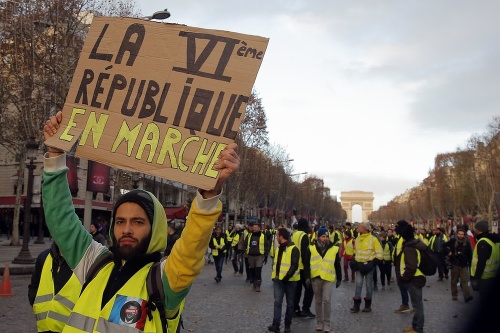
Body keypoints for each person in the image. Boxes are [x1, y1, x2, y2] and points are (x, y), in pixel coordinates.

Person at [42, 111, 240, 333]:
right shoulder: (95, 263)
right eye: (120, 221)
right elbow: (60, 218)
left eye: (137, 222)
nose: (126, 229)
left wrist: (208, 195)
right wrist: (55, 155)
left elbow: (190, 251)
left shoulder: (164, 280)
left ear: (155, 229)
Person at [28, 242, 82, 333]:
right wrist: (36, 305)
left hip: (72, 328)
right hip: (44, 327)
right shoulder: (44, 257)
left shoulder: (85, 260)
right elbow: (34, 285)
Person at [395, 223, 427, 333]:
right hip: (417, 277)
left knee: (417, 305)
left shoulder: (409, 248)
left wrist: (404, 278)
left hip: (413, 278)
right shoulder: (415, 244)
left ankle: (418, 328)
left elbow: (411, 266)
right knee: (416, 304)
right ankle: (415, 326)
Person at [267, 228, 300, 333]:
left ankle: (287, 325)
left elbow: (294, 265)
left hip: (290, 281)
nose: (276, 237)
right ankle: (275, 325)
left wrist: (286, 277)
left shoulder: (293, 249)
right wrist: (274, 277)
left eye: (277, 235)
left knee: (290, 304)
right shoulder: (278, 248)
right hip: (278, 281)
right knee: (277, 302)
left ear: (281, 236)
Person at [310, 226, 341, 332]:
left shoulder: (334, 248)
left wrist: (339, 277)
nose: (325, 238)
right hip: (316, 277)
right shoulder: (311, 247)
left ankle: (327, 323)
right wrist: (306, 277)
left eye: (327, 236)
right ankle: (319, 322)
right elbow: (306, 262)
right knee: (318, 301)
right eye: (323, 236)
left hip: (328, 277)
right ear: (318, 237)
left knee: (326, 300)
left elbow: (337, 264)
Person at [350, 222, 383, 313]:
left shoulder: (373, 239)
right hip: (359, 265)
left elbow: (379, 253)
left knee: (369, 285)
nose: (357, 228)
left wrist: (372, 264)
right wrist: (354, 260)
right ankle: (356, 305)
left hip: (369, 265)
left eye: (360, 226)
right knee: (358, 284)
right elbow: (356, 251)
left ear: (365, 228)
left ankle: (368, 305)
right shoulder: (357, 238)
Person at [470, 220, 500, 301]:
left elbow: (481, 262)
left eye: (476, 229)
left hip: (484, 278)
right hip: (494, 276)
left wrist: (476, 278)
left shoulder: (483, 242)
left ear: (479, 230)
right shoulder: (495, 241)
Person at [292, 218, 315, 318]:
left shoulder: (294, 234)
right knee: (310, 289)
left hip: (294, 266)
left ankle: (295, 309)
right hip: (302, 267)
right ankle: (306, 309)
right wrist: (307, 271)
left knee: (297, 290)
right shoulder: (304, 236)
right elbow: (305, 254)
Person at [444, 227, 473, 302]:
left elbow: (469, 253)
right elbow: (443, 246)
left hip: (463, 264)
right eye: (459, 234)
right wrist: (448, 252)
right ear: (457, 234)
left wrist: (469, 262)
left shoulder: (467, 242)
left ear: (464, 235)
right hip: (455, 263)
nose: (460, 236)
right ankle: (454, 294)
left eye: (462, 234)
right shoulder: (453, 240)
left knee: (464, 281)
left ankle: (467, 296)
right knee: (454, 280)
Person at [245, 221, 270, 292]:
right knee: (252, 270)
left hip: (259, 255)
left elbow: (266, 246)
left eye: (256, 227)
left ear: (259, 228)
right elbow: (245, 244)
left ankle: (258, 285)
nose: (254, 229)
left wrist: (265, 255)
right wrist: (242, 251)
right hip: (251, 256)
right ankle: (254, 282)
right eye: (253, 227)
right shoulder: (249, 236)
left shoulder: (263, 236)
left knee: (258, 270)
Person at [393, 220, 412, 314]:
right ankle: (405, 304)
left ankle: (406, 305)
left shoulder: (406, 238)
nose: (395, 228)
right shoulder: (401, 237)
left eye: (397, 226)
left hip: (404, 266)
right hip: (399, 265)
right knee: (402, 287)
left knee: (406, 287)